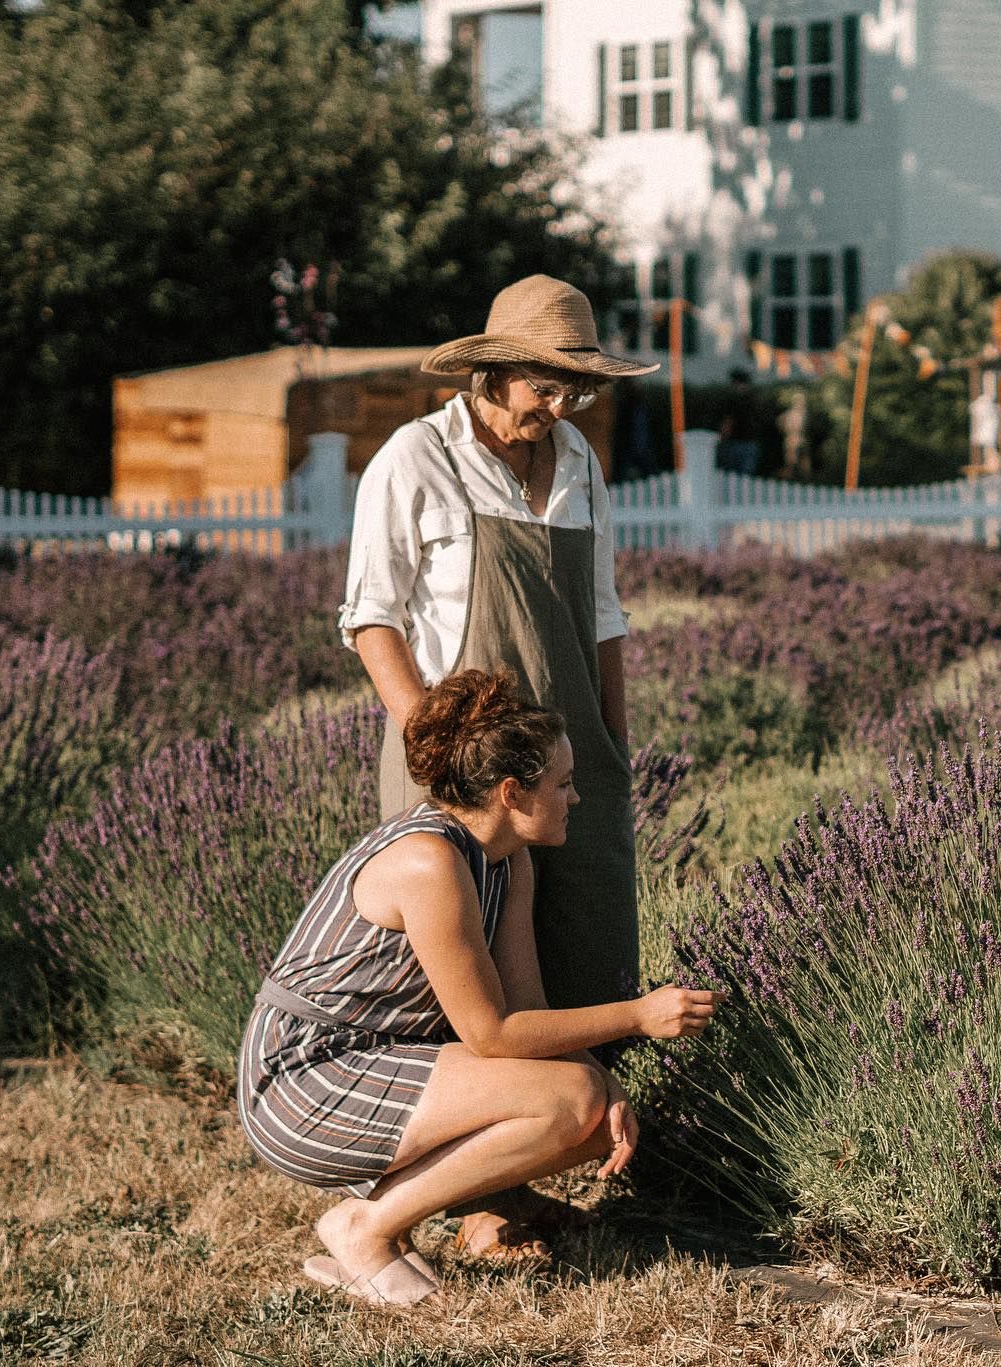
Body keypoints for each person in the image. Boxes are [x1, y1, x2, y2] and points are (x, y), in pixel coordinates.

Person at [337, 275, 657, 1256]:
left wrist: (610, 745)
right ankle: (472, 1202)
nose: (560, 408)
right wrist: (435, 746)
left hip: (570, 765)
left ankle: (526, 1178)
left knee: (574, 946)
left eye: (576, 389)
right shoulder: (415, 459)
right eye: (545, 386)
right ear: (491, 370)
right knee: (457, 986)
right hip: (462, 769)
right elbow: (372, 617)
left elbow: (599, 614)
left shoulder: (578, 465)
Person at [238, 670, 723, 1306]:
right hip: (302, 1080)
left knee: (592, 1115)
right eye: (563, 784)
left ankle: (377, 1221)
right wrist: (636, 1016)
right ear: (512, 794)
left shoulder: (505, 859)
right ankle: (366, 1228)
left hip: (375, 1059)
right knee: (573, 1099)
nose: (575, 799)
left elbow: (525, 1013)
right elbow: (492, 1035)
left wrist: (609, 1086)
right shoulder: (430, 861)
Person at [716, 367, 760, 475]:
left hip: (735, 443)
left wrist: (722, 438)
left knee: (730, 476)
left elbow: (727, 422)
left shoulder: (732, 400)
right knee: (744, 478)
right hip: (748, 442)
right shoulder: (752, 400)